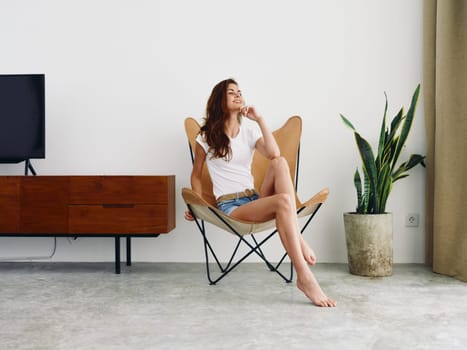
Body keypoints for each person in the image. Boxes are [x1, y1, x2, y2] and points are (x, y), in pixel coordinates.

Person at [185, 78, 336, 307]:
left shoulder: (249, 130)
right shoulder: (206, 136)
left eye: (240, 91)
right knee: (285, 201)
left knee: (280, 163)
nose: (238, 95)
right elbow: (196, 174)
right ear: (219, 100)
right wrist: (196, 203)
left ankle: (299, 241)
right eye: (231, 92)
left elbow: (274, 153)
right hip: (232, 208)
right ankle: (304, 276)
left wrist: (260, 119)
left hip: (254, 199)